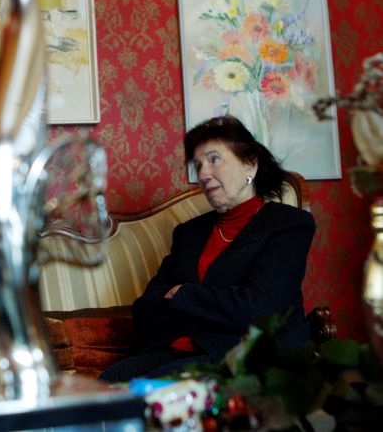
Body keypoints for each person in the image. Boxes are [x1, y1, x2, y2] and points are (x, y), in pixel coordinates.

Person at [100, 115, 316, 382]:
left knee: (158, 388)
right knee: (110, 380)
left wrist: (184, 295)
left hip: (252, 354)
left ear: (250, 163)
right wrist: (218, 307)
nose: (203, 174)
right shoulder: (189, 233)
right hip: (182, 349)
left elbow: (259, 309)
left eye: (214, 159)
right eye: (198, 165)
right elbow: (145, 311)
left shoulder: (288, 225)